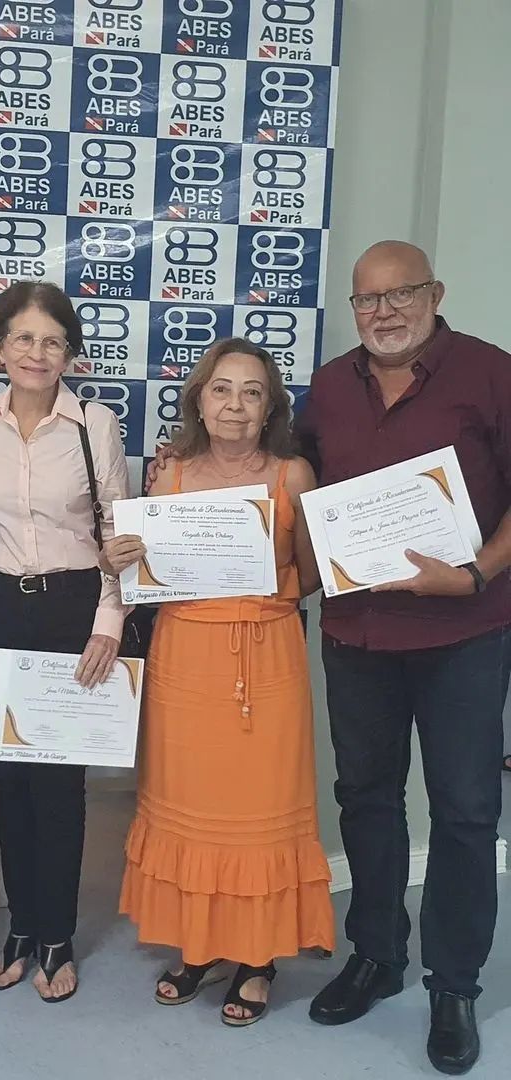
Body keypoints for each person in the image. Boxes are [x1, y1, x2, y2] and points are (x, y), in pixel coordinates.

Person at [298, 242, 511, 1076]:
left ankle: (452, 985)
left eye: (401, 294)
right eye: (367, 299)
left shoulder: (491, 373)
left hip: (465, 633)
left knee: (465, 813)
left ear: (435, 293)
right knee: (367, 798)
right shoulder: (328, 387)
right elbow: (290, 479)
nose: (383, 312)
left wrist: (474, 573)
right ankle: (377, 956)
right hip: (358, 635)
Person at [104, 338, 335, 1026]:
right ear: (199, 402)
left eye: (252, 392)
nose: (236, 405)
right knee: (190, 808)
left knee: (258, 816)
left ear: (271, 408)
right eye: (222, 389)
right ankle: (199, 948)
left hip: (267, 658)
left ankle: (257, 959)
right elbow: (145, 578)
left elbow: (312, 576)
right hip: (184, 660)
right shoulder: (167, 476)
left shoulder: (293, 476)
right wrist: (121, 557)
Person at [0, 281, 129, 1003]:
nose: (37, 353)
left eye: (52, 341)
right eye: (23, 338)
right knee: (8, 780)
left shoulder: (96, 425)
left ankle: (57, 934)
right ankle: (20, 927)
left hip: (71, 606)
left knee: (59, 782)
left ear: (70, 355)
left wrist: (108, 622)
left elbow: (119, 533)